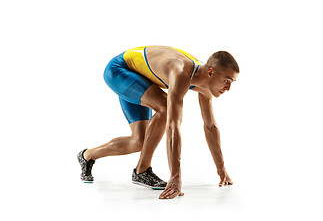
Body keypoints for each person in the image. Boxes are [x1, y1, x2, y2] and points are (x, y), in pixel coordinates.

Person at [77, 45, 239, 199]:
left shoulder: (205, 87)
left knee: (139, 141)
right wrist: (175, 178)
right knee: (166, 108)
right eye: (227, 80)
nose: (229, 88)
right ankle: (142, 170)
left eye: (232, 82)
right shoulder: (181, 71)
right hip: (120, 70)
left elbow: (210, 127)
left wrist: (221, 170)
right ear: (211, 72)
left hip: (141, 78)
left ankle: (87, 155)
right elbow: (173, 125)